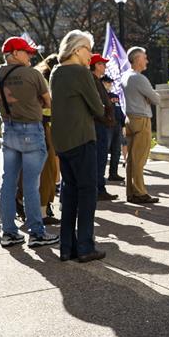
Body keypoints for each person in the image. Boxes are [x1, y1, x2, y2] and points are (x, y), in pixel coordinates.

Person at [0, 36, 59, 248]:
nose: (30, 55)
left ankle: (9, 232)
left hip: (9, 129)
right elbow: (49, 102)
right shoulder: (33, 74)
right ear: (15, 54)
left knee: (8, 183)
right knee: (31, 184)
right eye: (26, 52)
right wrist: (35, 102)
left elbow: (0, 99)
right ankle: (36, 233)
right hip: (31, 129)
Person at [49, 30, 106, 262]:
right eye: (88, 49)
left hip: (62, 141)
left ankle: (66, 246)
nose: (91, 55)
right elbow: (98, 108)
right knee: (87, 193)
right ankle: (85, 246)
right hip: (82, 138)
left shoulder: (55, 72)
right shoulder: (81, 73)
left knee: (70, 192)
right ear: (76, 49)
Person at [122, 47, 161, 204]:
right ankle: (139, 193)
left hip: (129, 119)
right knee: (139, 160)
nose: (147, 60)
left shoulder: (125, 76)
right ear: (137, 59)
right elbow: (156, 99)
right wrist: (149, 97)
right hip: (141, 120)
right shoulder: (139, 78)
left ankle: (131, 192)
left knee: (131, 159)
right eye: (144, 57)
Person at [34, 54, 61, 222]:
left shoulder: (38, 76)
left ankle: (44, 206)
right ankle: (43, 209)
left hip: (44, 126)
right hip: (45, 126)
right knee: (48, 170)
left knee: (48, 171)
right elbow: (48, 104)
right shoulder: (44, 79)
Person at [89, 53, 118, 202]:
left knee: (101, 158)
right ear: (95, 65)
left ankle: (100, 188)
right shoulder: (92, 81)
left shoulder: (96, 80)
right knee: (99, 158)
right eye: (102, 64)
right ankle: (98, 189)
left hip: (101, 124)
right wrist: (105, 118)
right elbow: (96, 105)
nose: (105, 66)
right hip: (98, 125)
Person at [106, 82, 126, 183]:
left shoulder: (115, 96)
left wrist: (123, 124)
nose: (109, 85)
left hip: (117, 125)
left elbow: (119, 110)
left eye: (110, 83)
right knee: (104, 151)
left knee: (116, 151)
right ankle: (100, 176)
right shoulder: (101, 95)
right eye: (107, 83)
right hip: (107, 126)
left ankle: (113, 173)